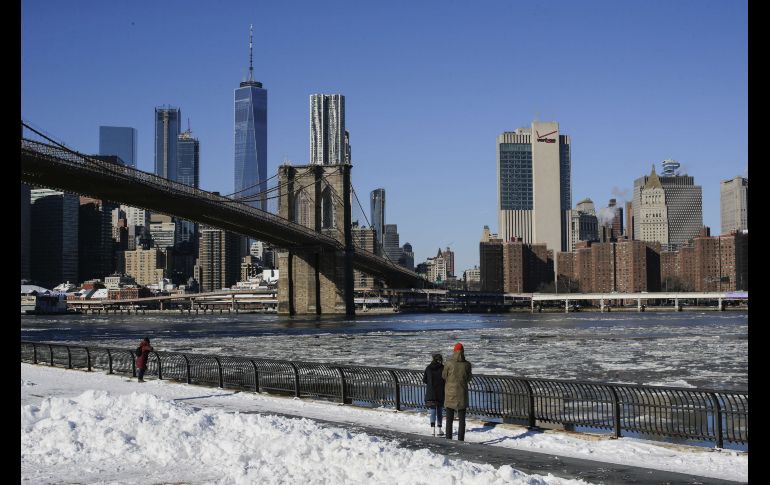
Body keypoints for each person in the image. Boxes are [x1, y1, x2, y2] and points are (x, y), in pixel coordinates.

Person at [442, 342, 472, 441]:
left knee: (449, 419)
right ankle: (461, 439)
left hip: (450, 394)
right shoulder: (467, 364)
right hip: (462, 394)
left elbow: (444, 376)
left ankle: (448, 438)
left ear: (454, 351)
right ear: (463, 351)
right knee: (462, 420)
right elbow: (469, 378)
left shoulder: (449, 363)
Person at [423, 353, 445, 436]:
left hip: (431, 391)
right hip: (440, 391)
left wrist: (430, 384)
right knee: (439, 410)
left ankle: (432, 429)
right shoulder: (443, 368)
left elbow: (424, 380)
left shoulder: (428, 368)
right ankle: (439, 429)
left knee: (432, 410)